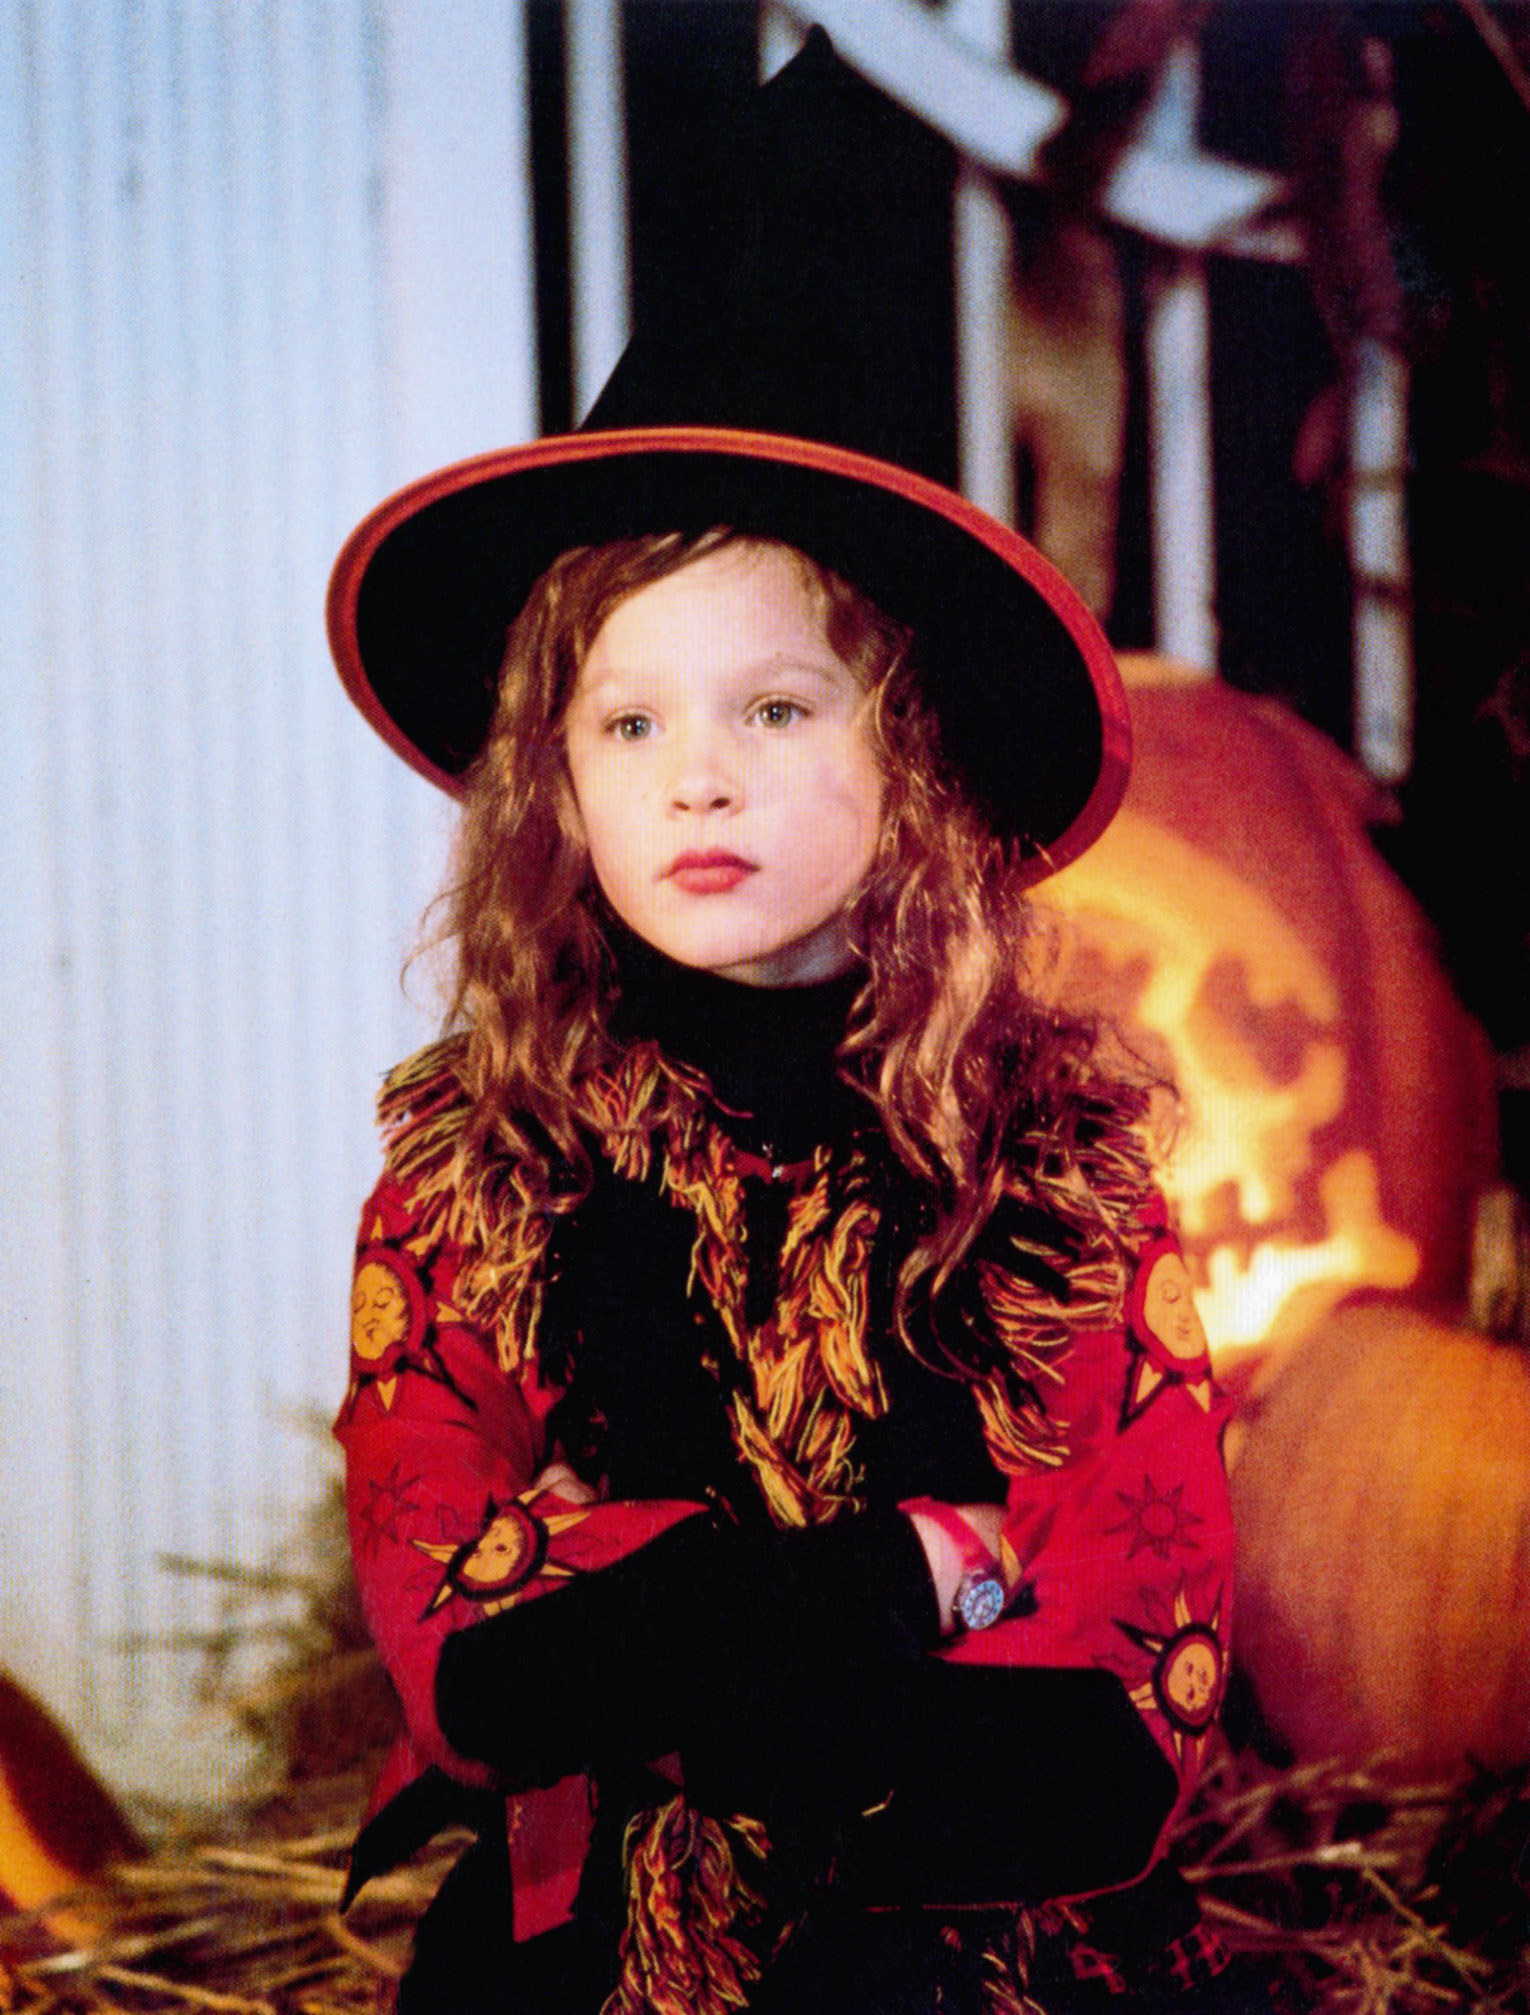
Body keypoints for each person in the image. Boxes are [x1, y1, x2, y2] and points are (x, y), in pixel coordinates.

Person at [327, 32, 1240, 2014]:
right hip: (598, 1948)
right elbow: (470, 1641)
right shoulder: (473, 1169)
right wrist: (906, 1567)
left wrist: (707, 1651)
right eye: (631, 721)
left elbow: (1127, 1643)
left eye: (775, 708)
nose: (700, 782)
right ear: (551, 782)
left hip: (964, 1943)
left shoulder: (1054, 1167)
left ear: (905, 756)